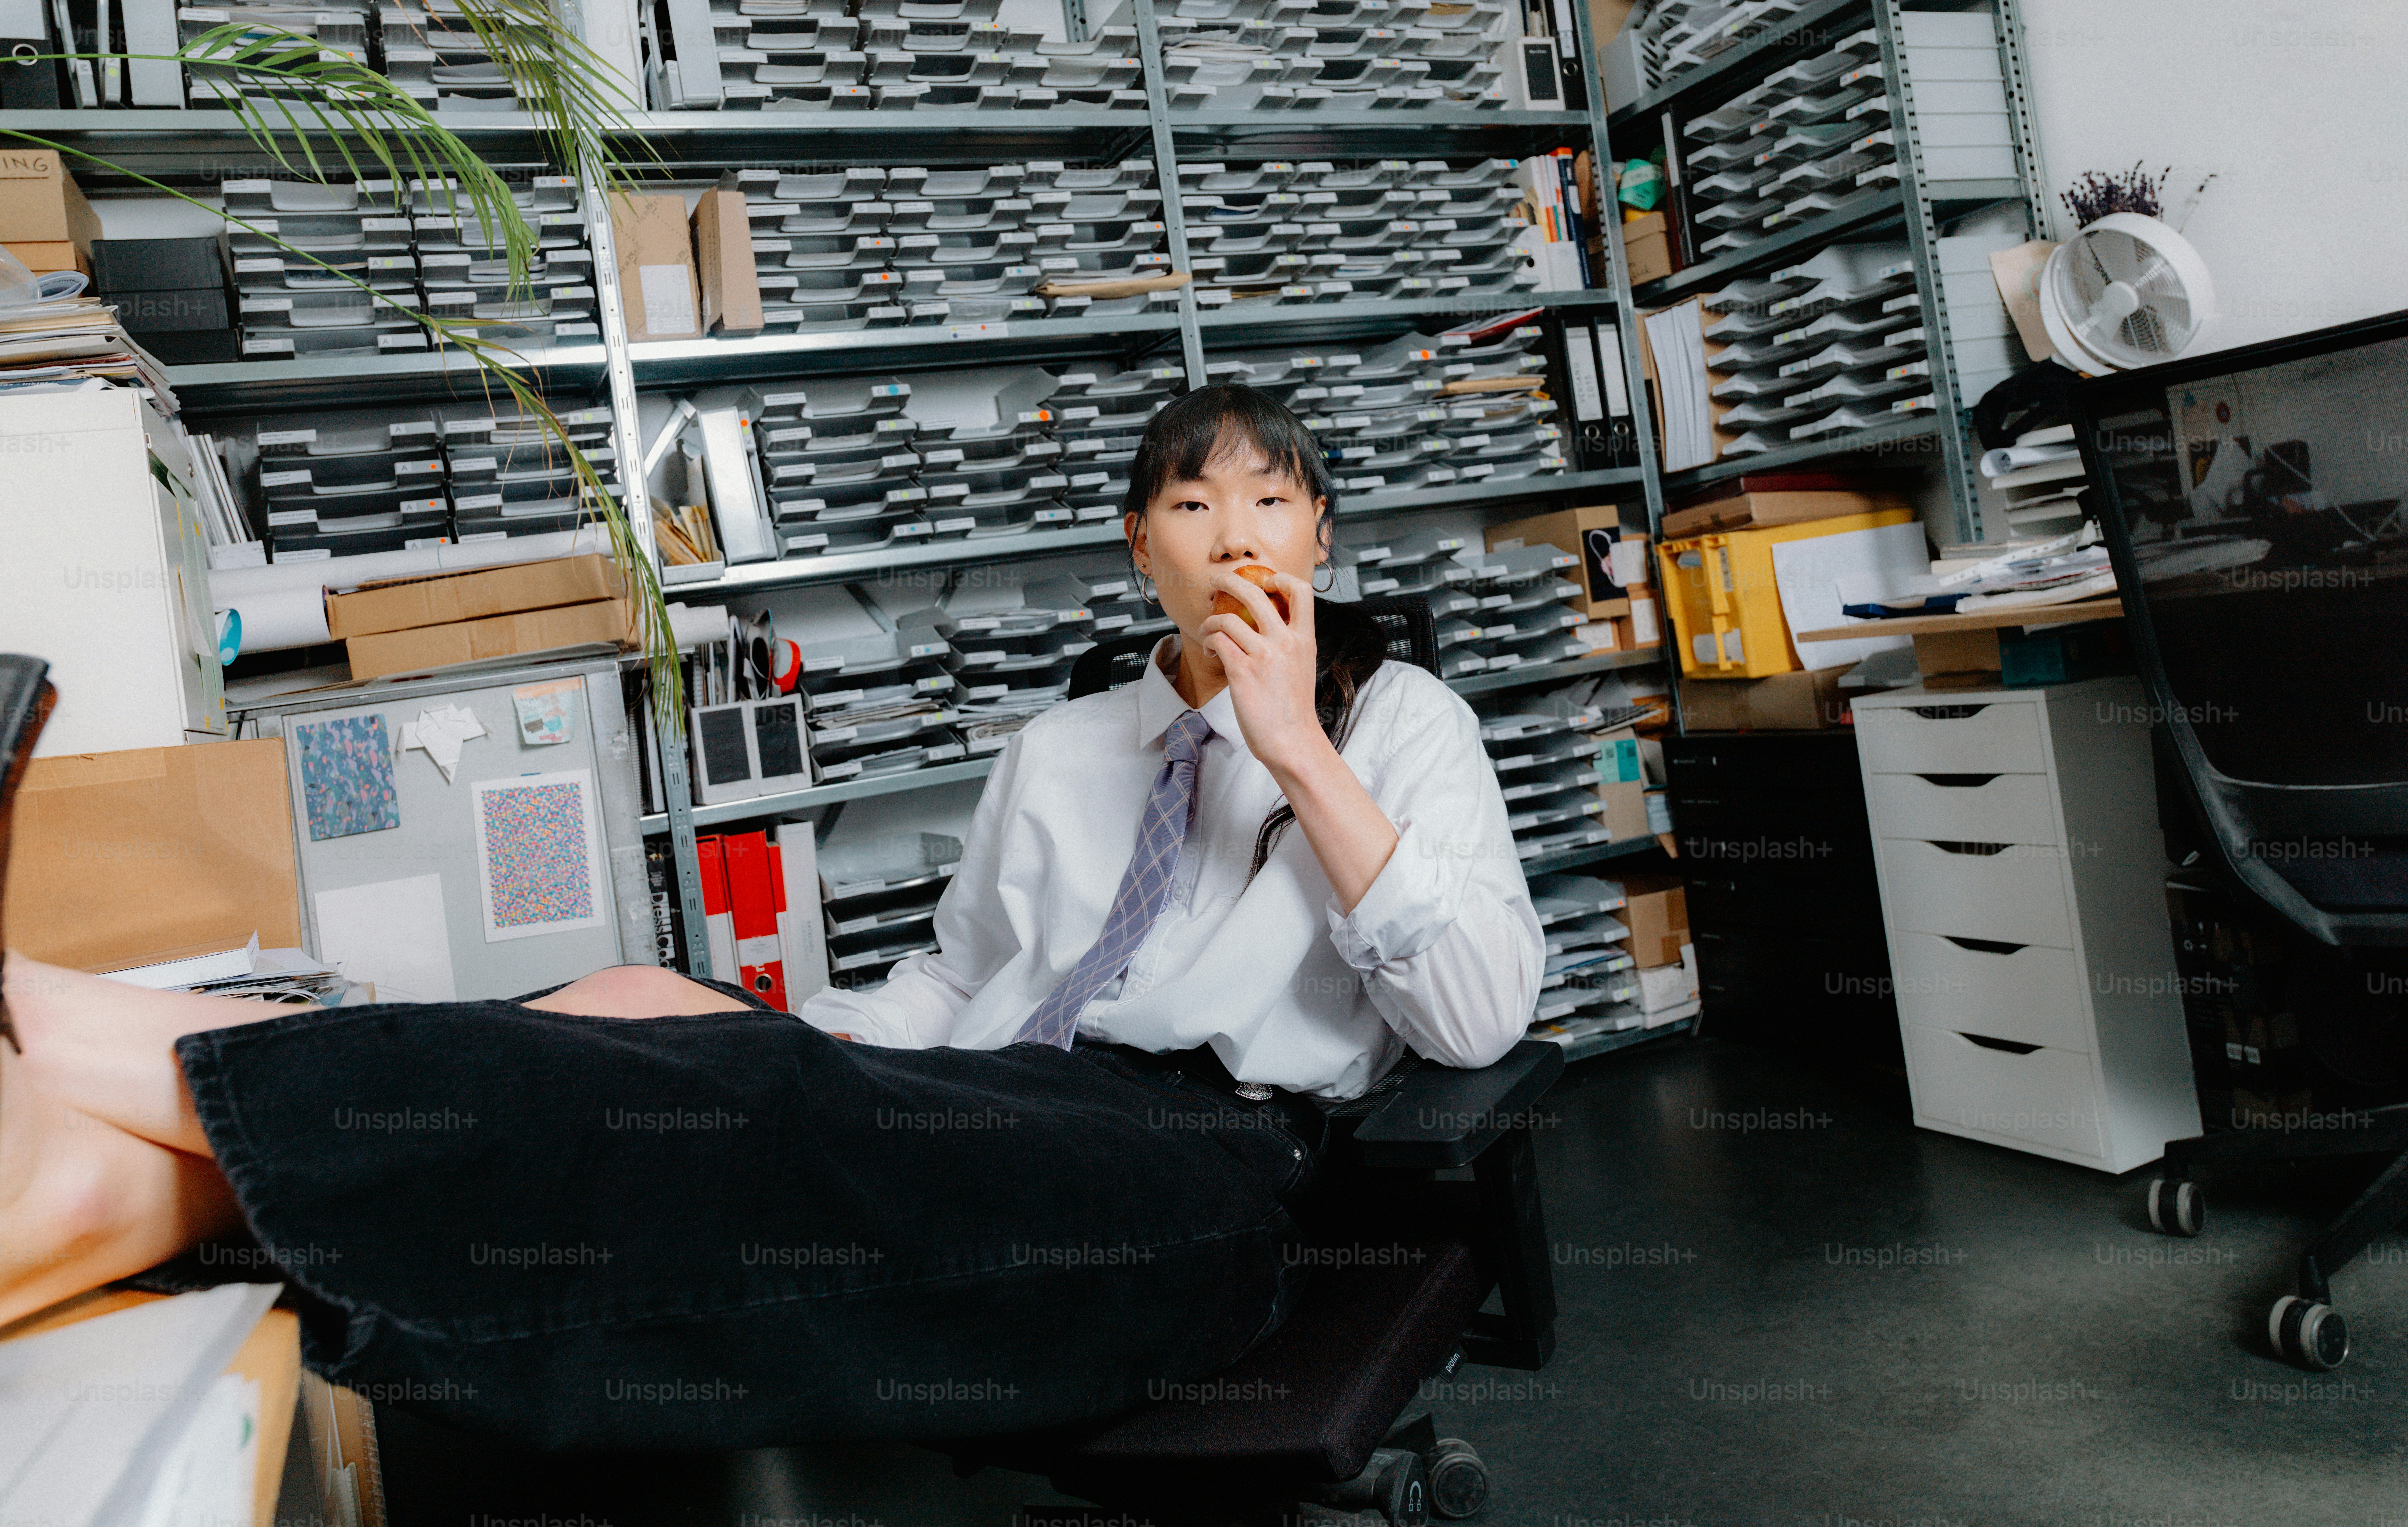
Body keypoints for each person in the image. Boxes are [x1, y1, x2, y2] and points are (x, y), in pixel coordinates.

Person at [0, 383, 1541, 1451]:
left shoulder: (1401, 726)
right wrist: (775, 1036)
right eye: (1194, 505)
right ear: (1141, 549)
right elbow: (957, 980)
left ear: (1321, 535)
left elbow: (1477, 1019)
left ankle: (64, 1046)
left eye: (1272, 502)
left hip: (1211, 1156)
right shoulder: (1060, 750)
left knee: (756, 1105)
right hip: (998, 1088)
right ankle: (98, 1178)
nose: (1238, 537)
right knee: (645, 1008)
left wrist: (1298, 753)